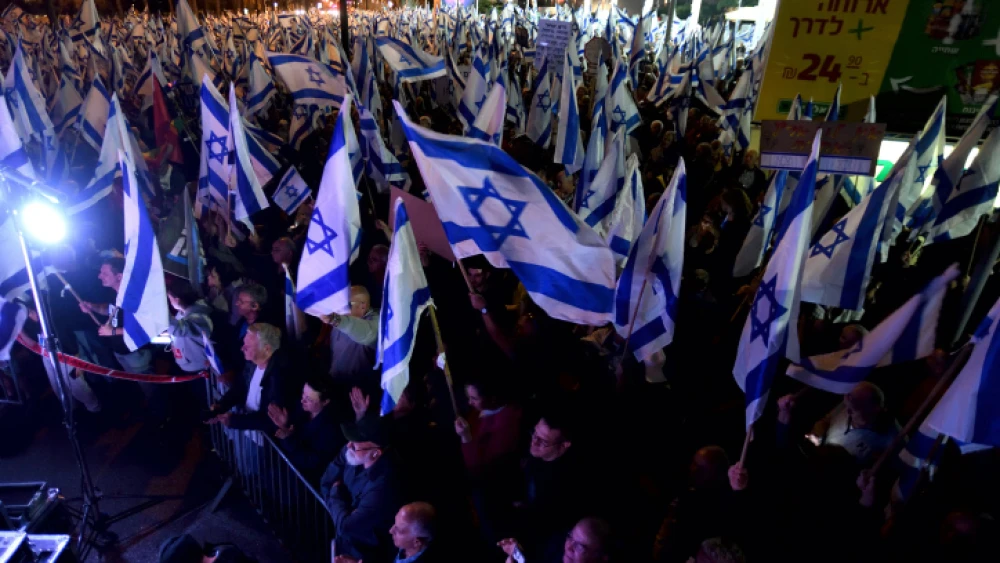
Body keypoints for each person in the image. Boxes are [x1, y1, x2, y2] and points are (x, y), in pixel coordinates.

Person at [320, 413, 402, 562]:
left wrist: (336, 492)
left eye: (357, 444)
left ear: (375, 453)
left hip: (362, 555)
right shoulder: (352, 452)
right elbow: (325, 481)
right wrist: (345, 512)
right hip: (342, 545)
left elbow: (347, 527)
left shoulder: (384, 486)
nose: (349, 445)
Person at [653, 446, 737, 562]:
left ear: (717, 474)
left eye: (701, 469)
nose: (693, 469)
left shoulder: (721, 508)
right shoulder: (684, 493)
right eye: (694, 464)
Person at [207, 323, 293, 433]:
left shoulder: (278, 376)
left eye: (248, 346)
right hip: (249, 433)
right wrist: (221, 406)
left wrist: (234, 421)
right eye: (244, 344)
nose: (242, 348)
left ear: (266, 349)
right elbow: (240, 387)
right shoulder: (252, 363)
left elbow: (269, 418)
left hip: (263, 441)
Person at [268, 375, 344, 484]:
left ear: (325, 402)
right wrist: (285, 425)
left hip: (302, 481)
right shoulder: (302, 409)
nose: (303, 400)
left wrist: (288, 439)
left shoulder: (331, 429)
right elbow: (288, 432)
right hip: (285, 471)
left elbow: (312, 461)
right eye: (303, 393)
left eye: (309, 399)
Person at [804, 382, 899, 465]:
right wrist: (817, 434)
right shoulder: (850, 404)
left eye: (852, 410)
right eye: (845, 405)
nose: (846, 411)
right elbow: (826, 420)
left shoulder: (890, 440)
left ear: (871, 410)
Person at [335, 502, 441, 563]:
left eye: (398, 530)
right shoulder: (394, 545)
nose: (390, 531)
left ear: (417, 542)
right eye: (394, 524)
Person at [322, 285, 379, 386]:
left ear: (363, 306)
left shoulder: (376, 322)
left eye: (346, 305)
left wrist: (335, 320)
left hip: (358, 393)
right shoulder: (341, 320)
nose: (340, 309)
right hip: (335, 386)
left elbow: (367, 333)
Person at [499, 517, 613, 563]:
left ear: (601, 559)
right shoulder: (555, 552)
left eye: (580, 547)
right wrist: (517, 552)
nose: (568, 547)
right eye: (570, 536)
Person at [166, 279, 214, 373]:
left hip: (200, 370)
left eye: (170, 298)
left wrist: (162, 312)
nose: (170, 302)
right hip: (186, 365)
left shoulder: (201, 315)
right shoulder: (181, 312)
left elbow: (180, 329)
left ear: (177, 300)